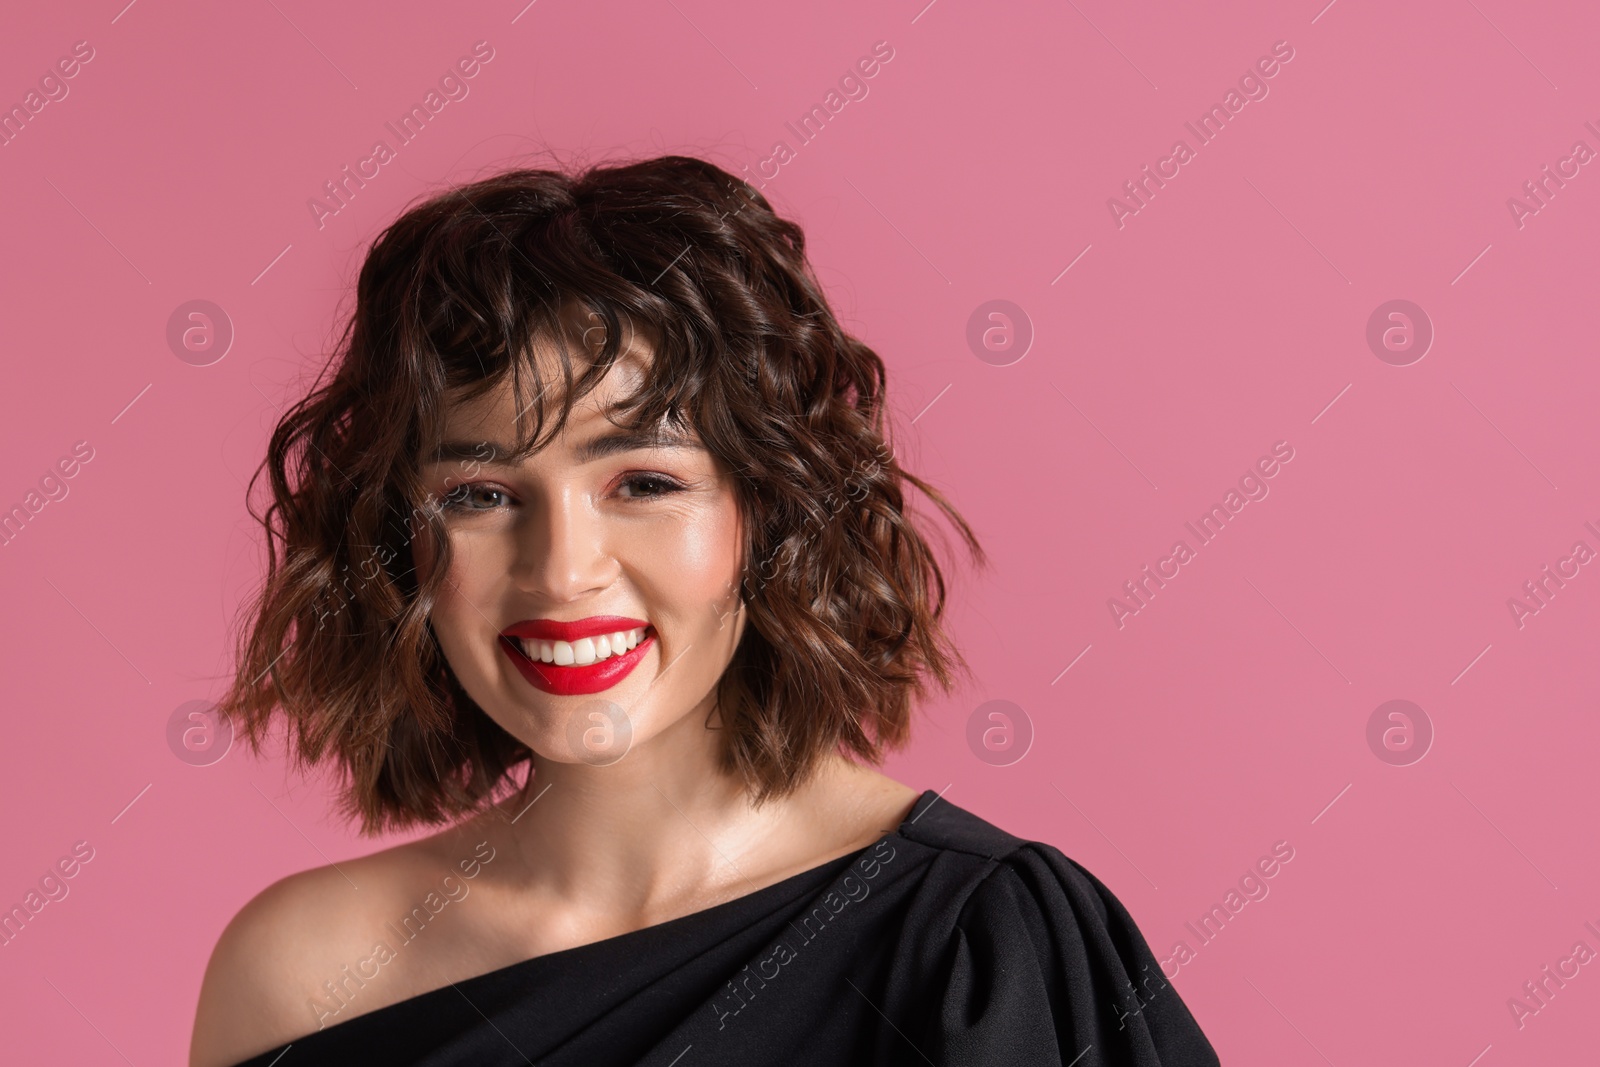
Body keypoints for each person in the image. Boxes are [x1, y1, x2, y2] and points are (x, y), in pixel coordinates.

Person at [188, 155, 1219, 1067]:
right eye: (480, 495)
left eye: (643, 481)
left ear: (768, 512)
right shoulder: (299, 980)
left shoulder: (978, 947)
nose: (563, 570)